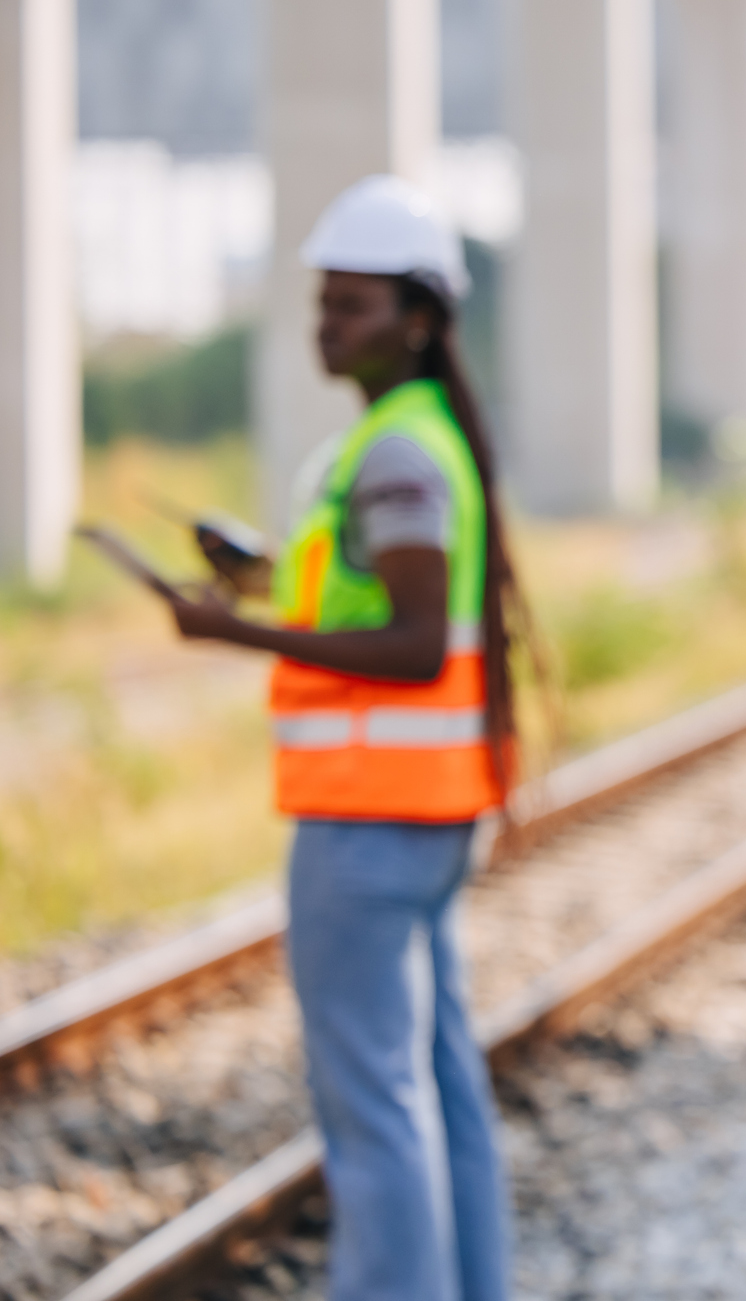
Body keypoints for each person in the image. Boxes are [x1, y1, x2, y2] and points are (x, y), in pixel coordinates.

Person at [164, 175, 526, 1301]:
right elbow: (379, 605)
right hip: (416, 811)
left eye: (354, 304)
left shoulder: (399, 451)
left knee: (373, 1105)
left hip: (373, 817)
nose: (329, 325)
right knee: (433, 1080)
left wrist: (234, 633)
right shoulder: (399, 440)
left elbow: (417, 646)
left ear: (418, 318)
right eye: (322, 303)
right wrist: (268, 582)